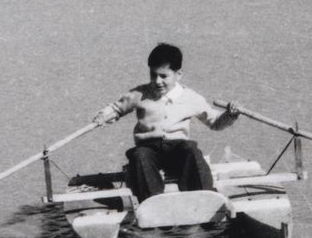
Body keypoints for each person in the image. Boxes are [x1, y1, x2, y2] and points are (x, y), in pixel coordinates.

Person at [92, 43, 240, 202]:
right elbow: (117, 108)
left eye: (164, 76)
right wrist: (103, 115)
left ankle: (205, 198)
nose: (157, 81)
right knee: (139, 155)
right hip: (149, 149)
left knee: (191, 150)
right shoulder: (140, 93)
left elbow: (216, 122)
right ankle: (152, 202)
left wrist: (230, 115)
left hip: (178, 149)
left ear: (178, 75)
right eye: (153, 75)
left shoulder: (191, 98)